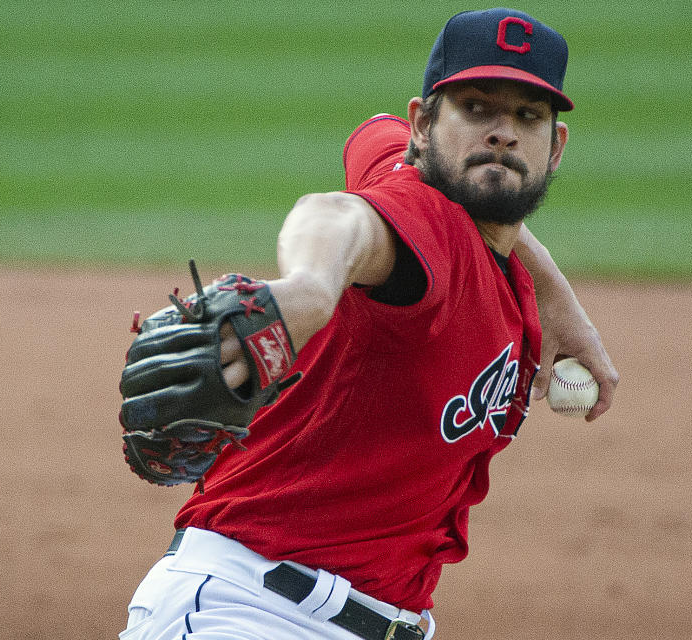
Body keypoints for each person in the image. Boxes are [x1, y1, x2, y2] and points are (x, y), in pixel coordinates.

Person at [119, 8, 618, 640]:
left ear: (556, 146)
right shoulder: (426, 227)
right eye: (476, 108)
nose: (502, 134)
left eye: (527, 116)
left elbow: (372, 137)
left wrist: (553, 291)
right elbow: (341, 218)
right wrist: (310, 288)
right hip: (249, 613)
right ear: (424, 124)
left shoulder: (413, 174)